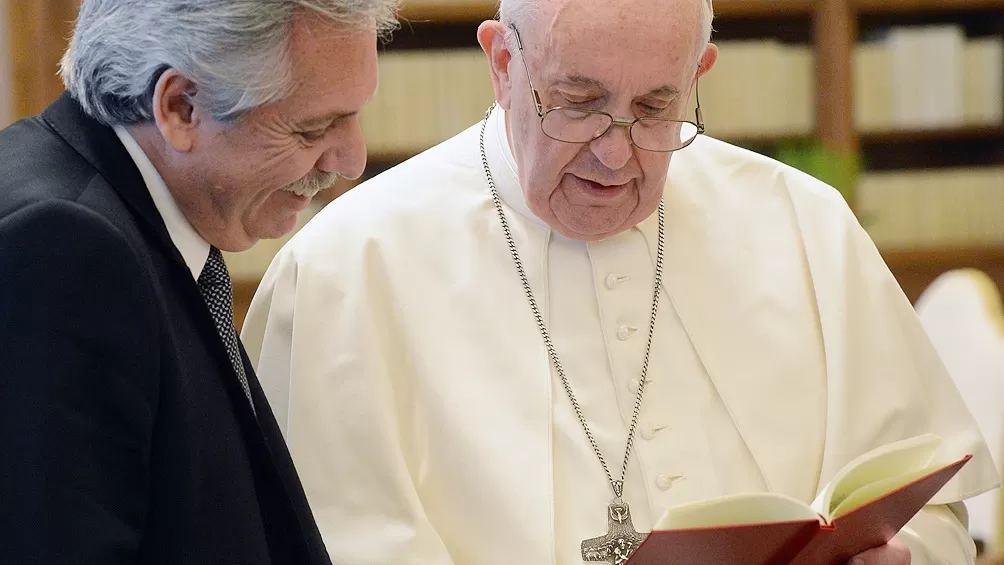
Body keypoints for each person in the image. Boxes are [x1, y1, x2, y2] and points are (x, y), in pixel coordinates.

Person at [241, 0, 1001, 563]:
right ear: (504, 64)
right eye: (579, 103)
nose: (616, 153)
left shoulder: (805, 226)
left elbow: (937, 518)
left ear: (698, 75)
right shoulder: (347, 271)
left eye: (655, 107)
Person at [0, 0, 396, 563]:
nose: (352, 159)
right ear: (181, 107)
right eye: (313, 127)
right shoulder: (64, 249)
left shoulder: (123, 218)